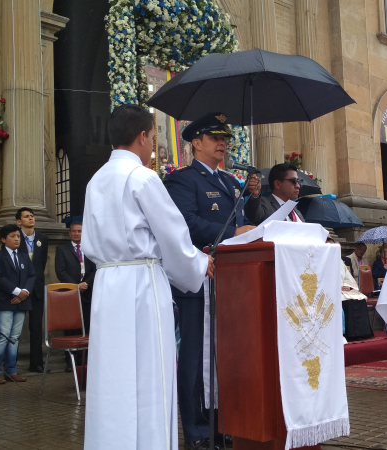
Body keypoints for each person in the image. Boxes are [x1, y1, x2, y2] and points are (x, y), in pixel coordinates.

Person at [81, 104, 214, 450]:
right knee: (149, 372)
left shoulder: (96, 180)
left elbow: (88, 241)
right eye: (153, 138)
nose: (152, 146)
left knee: (112, 373)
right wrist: (198, 264)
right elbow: (172, 235)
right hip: (141, 282)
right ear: (143, 136)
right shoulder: (142, 177)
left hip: (107, 284)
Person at [166, 112, 257, 450]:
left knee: (225, 355)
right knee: (195, 356)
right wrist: (233, 232)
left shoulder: (232, 183)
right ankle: (197, 431)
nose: (223, 144)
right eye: (215, 138)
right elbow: (184, 224)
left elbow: (245, 225)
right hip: (198, 278)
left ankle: (224, 421)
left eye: (225, 139)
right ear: (196, 143)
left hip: (231, 282)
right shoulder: (183, 180)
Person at [0, 224, 35, 385]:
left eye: (18, 236)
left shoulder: (24, 257)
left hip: (22, 302)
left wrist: (24, 292)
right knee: (3, 336)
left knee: (14, 338)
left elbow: (32, 276)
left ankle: (11, 371)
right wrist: (16, 291)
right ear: (3, 239)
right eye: (13, 236)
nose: (16, 239)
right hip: (4, 302)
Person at [55, 221, 97, 371]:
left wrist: (87, 284)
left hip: (87, 293)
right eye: (74, 231)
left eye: (79, 231)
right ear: (69, 233)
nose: (76, 234)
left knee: (87, 327)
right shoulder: (62, 249)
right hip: (69, 295)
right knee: (71, 329)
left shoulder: (90, 249)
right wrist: (75, 286)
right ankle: (70, 362)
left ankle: (85, 363)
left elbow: (95, 268)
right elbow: (60, 271)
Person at [16, 207, 49, 373]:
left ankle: (37, 363)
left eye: (32, 216)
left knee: (36, 327)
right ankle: (11, 365)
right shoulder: (15, 237)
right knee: (15, 327)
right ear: (18, 221)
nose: (31, 218)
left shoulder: (42, 238)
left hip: (36, 288)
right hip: (19, 289)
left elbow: (41, 263)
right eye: (26, 216)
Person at [329, 238, 372, 342]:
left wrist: (349, 287)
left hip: (343, 288)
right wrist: (337, 287)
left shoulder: (340, 262)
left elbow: (348, 277)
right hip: (331, 290)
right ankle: (350, 333)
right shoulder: (323, 261)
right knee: (347, 301)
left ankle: (362, 332)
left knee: (359, 298)